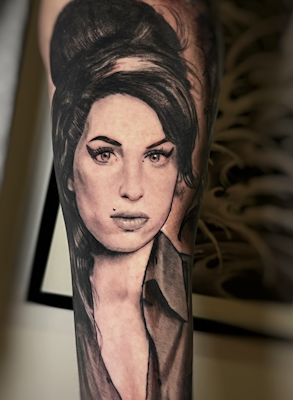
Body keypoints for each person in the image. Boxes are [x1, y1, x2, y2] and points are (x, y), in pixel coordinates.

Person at [45, 0, 219, 398]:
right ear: (69, 166)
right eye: (105, 153)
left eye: (156, 156)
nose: (132, 188)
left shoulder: (173, 290)